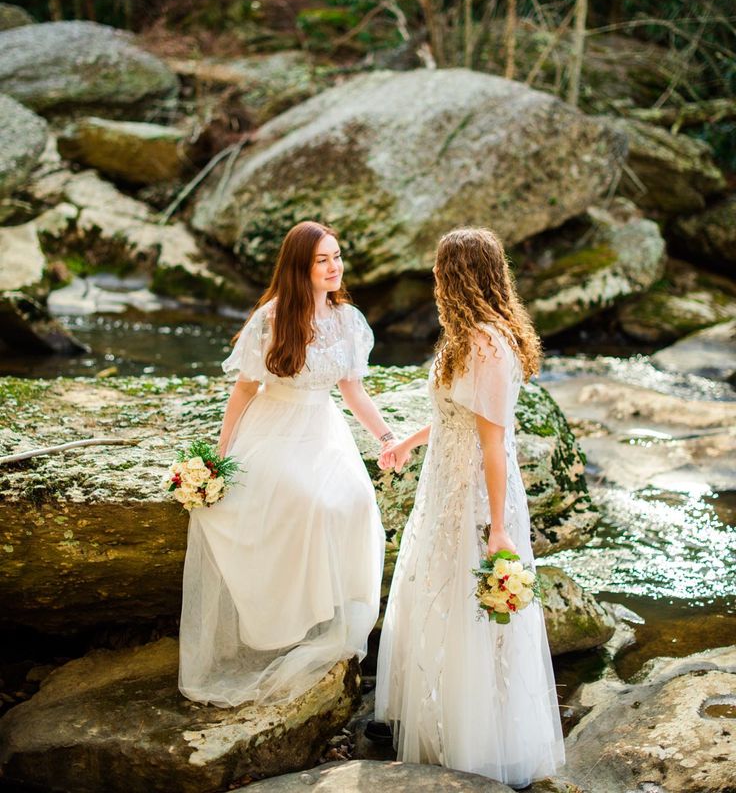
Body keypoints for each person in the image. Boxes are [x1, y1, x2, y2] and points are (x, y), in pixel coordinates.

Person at [374, 227, 565, 788]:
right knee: (438, 593)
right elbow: (458, 414)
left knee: (469, 601)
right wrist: (409, 441)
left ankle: (476, 736)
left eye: (439, 269)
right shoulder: (468, 336)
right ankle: (439, 714)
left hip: (475, 494)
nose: (433, 278)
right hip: (444, 485)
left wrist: (499, 528)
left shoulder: (486, 343)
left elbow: (493, 443)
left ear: (454, 276)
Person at [179, 220, 393, 707]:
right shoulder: (273, 317)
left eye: (337, 256)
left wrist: (384, 436)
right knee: (308, 503)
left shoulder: (348, 319)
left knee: (357, 502)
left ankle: (329, 617)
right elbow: (244, 389)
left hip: (323, 430)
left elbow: (352, 389)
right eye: (323, 260)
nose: (334, 267)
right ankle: (289, 624)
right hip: (273, 428)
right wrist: (222, 453)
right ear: (301, 266)